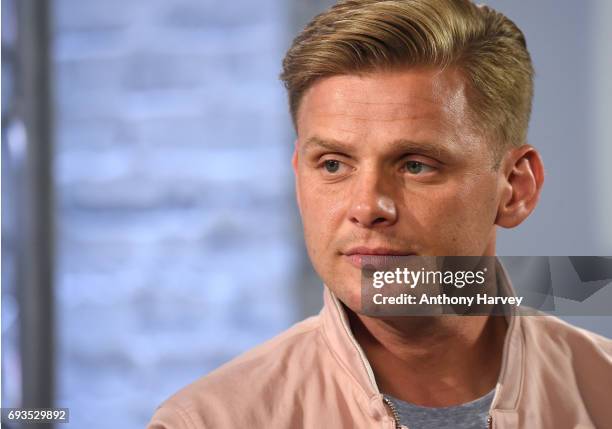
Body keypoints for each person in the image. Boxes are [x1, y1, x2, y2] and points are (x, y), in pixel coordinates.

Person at [148, 1, 612, 427]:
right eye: (333, 165)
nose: (367, 206)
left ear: (515, 189)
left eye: (416, 165)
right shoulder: (209, 420)